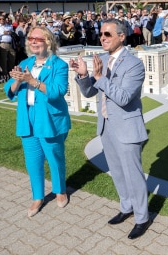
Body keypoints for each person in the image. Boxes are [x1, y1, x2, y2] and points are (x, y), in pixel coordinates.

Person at [69, 19, 151, 240]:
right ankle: (126, 207)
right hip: (106, 126)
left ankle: (142, 218)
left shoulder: (134, 64)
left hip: (127, 127)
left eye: (107, 34)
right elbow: (89, 93)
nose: (102, 37)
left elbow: (124, 98)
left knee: (133, 175)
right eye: (101, 34)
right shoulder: (102, 60)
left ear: (121, 37)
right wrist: (84, 75)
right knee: (117, 171)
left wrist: (98, 77)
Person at [4, 26, 71, 217]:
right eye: (31, 38)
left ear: (48, 42)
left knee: (55, 158)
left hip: (49, 119)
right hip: (28, 118)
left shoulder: (59, 65)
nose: (33, 41)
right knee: (33, 161)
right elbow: (9, 90)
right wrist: (17, 80)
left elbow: (58, 91)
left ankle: (60, 191)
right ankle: (38, 197)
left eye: (38, 39)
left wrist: (32, 81)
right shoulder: (25, 62)